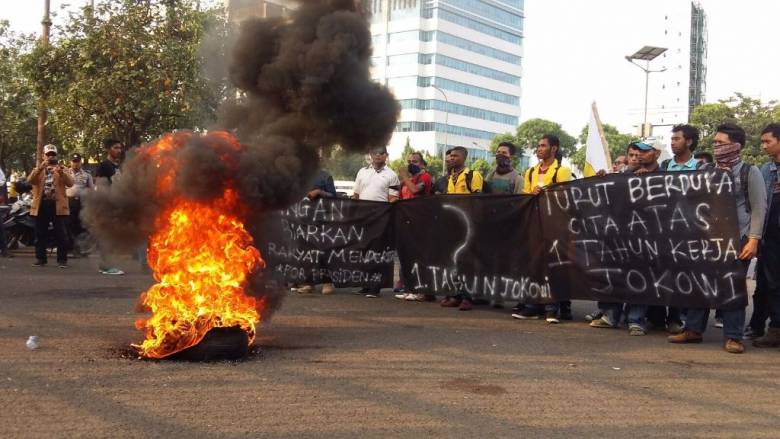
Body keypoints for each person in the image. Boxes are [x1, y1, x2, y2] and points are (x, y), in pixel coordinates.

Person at [668, 123, 767, 354]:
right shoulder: (706, 170)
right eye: (714, 143)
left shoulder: (749, 172)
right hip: (706, 238)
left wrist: (753, 239)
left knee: (732, 286)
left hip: (737, 238)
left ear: (736, 145)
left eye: (720, 143)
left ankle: (733, 336)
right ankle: (693, 329)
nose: (716, 146)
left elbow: (759, 209)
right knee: (700, 283)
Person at [590, 141, 662, 335]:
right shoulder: (625, 175)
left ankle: (636, 319)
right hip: (621, 234)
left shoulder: (665, 176)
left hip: (649, 236)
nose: (639, 154)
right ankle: (611, 315)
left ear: (656, 153)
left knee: (642, 277)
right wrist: (604, 181)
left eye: (645, 151)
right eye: (637, 151)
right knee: (615, 273)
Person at [514, 135, 573, 323]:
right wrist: (530, 194)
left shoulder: (562, 171)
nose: (539, 149)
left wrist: (545, 192)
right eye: (538, 146)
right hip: (534, 224)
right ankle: (532, 305)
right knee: (533, 265)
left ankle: (552, 308)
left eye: (543, 146)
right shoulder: (530, 172)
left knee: (553, 265)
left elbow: (563, 196)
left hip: (554, 225)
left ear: (553, 149)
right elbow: (525, 196)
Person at [352, 146, 400, 297]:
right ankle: (365, 284)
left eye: (381, 153)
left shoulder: (392, 175)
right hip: (363, 216)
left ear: (387, 156)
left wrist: (384, 214)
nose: (378, 156)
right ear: (370, 155)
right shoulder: (362, 171)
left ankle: (375, 286)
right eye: (375, 153)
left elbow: (393, 198)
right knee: (363, 250)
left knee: (377, 251)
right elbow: (356, 195)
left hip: (381, 217)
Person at [440, 146, 483, 311]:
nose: (451, 158)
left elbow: (478, 200)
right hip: (453, 224)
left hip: (469, 224)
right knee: (454, 261)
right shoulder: (450, 178)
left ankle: (468, 297)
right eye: (450, 156)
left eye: (455, 156)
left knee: (468, 262)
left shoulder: (473, 175)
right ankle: (456, 295)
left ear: (464, 158)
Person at [752, 123, 780, 348]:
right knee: (767, 283)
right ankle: (767, 327)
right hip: (769, 237)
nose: (763, 146)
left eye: (767, 142)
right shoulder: (765, 170)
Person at [394, 151, 434, 302]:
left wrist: (404, 176)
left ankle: (422, 289)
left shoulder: (425, 177)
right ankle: (409, 288)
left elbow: (416, 190)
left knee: (420, 257)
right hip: (407, 221)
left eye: (415, 161)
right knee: (407, 256)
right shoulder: (406, 180)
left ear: (422, 164)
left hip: (421, 221)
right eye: (409, 161)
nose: (411, 163)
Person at [28, 144, 74, 268]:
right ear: (43, 155)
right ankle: (40, 259)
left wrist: (60, 172)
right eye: (48, 155)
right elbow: (30, 181)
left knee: (61, 234)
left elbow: (70, 183)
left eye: (53, 154)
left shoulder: (62, 169)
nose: (50, 157)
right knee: (40, 234)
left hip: (57, 205)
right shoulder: (38, 169)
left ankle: (62, 260)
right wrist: (39, 168)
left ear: (56, 156)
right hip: (41, 205)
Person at [296, 168, 337, 295]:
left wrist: (319, 192)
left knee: (322, 251)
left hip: (320, 220)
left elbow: (334, 196)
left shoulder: (325, 176)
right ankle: (308, 283)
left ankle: (327, 282)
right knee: (305, 251)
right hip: (302, 219)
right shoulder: (299, 175)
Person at [95, 139, 126, 275]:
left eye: (120, 148)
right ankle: (106, 266)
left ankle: (106, 265)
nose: (119, 150)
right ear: (108, 149)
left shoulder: (117, 166)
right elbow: (99, 185)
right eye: (115, 148)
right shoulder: (104, 165)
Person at [65, 153, 94, 257]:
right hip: (68, 202)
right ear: (70, 162)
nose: (75, 164)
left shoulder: (87, 175)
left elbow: (91, 189)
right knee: (68, 225)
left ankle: (80, 249)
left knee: (80, 226)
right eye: (74, 161)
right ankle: (69, 249)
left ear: (80, 162)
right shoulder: (65, 173)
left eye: (77, 161)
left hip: (82, 203)